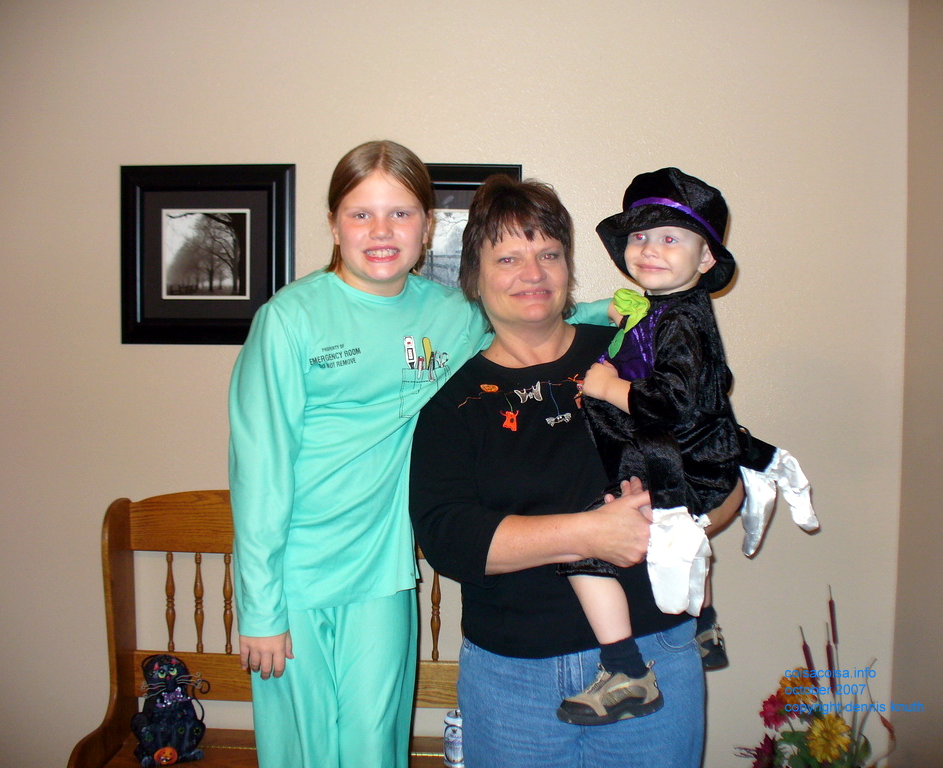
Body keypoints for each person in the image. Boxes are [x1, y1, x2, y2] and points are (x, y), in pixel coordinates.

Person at [228, 141, 611, 768]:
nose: (382, 232)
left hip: (381, 576)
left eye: (401, 214)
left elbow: (536, 315)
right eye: (361, 214)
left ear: (427, 226)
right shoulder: (289, 320)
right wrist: (260, 607)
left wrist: (628, 309)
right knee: (300, 753)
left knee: (373, 748)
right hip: (293, 578)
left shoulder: (450, 314)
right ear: (332, 224)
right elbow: (259, 473)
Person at [409, 174, 744, 768]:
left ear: (569, 268)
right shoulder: (453, 406)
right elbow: (449, 541)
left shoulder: (632, 350)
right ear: (475, 277)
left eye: (549, 254)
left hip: (656, 654)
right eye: (508, 257)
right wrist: (589, 534)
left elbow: (720, 466)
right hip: (514, 682)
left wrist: (686, 517)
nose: (532, 273)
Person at [557, 166, 743, 724]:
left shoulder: (680, 320)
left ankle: (626, 670)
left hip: (681, 467)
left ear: (705, 259)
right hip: (690, 458)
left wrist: (608, 387)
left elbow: (674, 402)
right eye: (639, 236)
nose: (649, 249)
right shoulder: (666, 310)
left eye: (669, 238)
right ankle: (703, 621)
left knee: (584, 547)